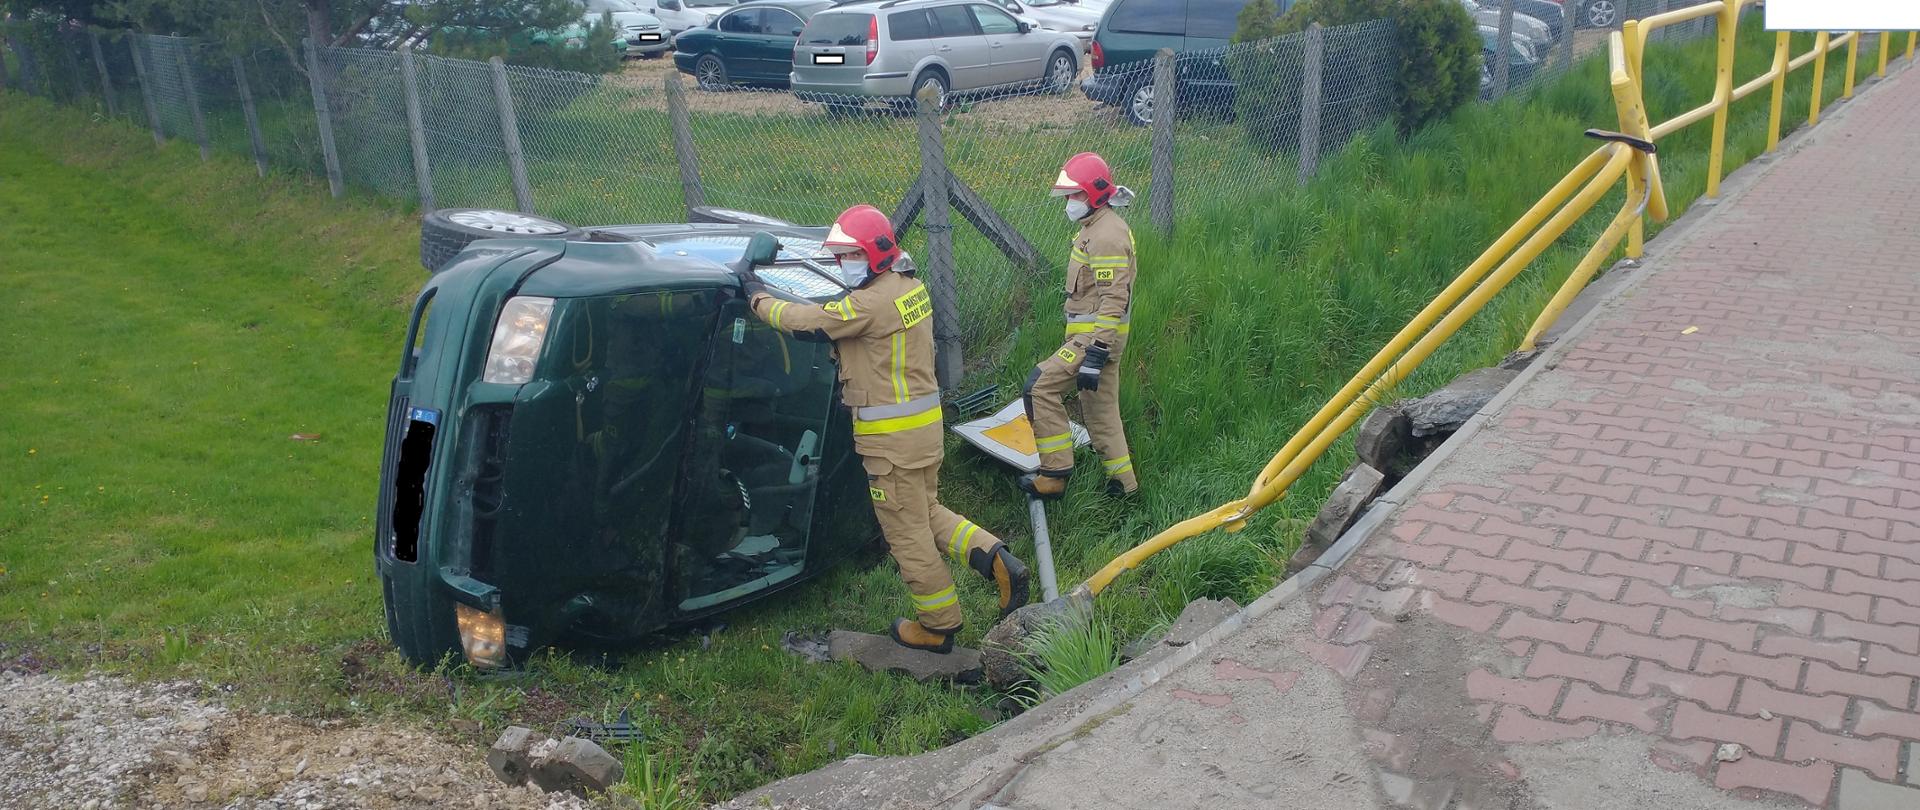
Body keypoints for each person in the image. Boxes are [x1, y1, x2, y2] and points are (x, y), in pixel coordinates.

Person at [740, 205, 1031, 653]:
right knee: (927, 511)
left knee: (904, 532)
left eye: (849, 255)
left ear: (874, 255)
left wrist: (755, 293)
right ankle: (998, 562)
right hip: (923, 432)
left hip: (890, 443)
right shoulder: (908, 287)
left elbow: (807, 323)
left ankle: (937, 626)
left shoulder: (867, 304)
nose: (843, 264)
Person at [1019, 152, 1139, 501]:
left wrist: (1096, 352)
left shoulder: (1105, 236)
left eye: (1076, 195)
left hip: (1095, 338)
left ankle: (1054, 474)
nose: (1070, 203)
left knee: (1039, 386)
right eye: (1068, 196)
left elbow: (1114, 298)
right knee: (1101, 413)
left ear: (1097, 193)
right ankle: (1124, 488)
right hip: (1100, 337)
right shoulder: (1098, 227)